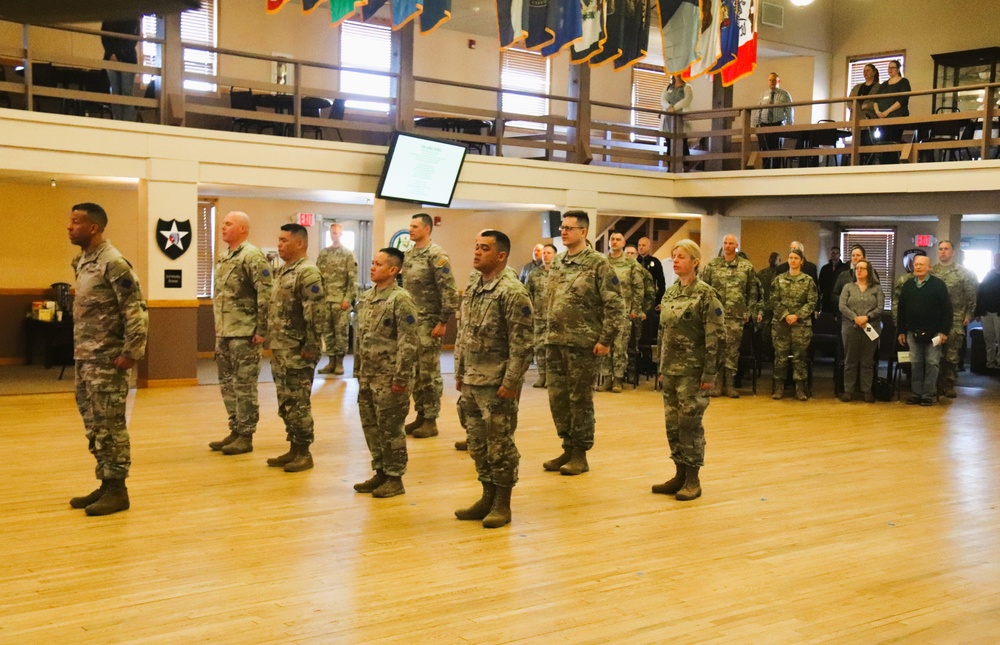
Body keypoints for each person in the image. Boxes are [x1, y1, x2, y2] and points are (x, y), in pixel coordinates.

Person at [67, 202, 148, 516]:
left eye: (76, 222)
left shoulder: (113, 263)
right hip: (86, 359)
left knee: (111, 426)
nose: (69, 227)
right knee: (94, 426)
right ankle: (105, 482)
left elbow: (135, 310)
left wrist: (131, 352)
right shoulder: (84, 261)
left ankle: (118, 490)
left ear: (93, 228)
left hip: (107, 361)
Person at [454, 231, 533, 528]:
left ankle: (502, 504)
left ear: (501, 256)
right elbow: (464, 334)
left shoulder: (512, 291)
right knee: (477, 444)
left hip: (498, 383)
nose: (476, 252)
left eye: (484, 248)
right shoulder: (475, 284)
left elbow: (523, 343)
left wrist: (511, 382)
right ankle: (486, 496)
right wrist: (460, 373)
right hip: (473, 379)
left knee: (500, 445)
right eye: (476, 247)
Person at [542, 211, 624, 476]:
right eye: (562, 227)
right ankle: (567, 446)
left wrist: (605, 339)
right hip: (556, 341)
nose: (564, 232)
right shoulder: (557, 263)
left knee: (579, 400)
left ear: (584, 232)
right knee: (558, 399)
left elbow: (615, 304)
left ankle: (580, 453)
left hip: (583, 344)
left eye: (569, 228)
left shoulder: (598, 263)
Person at [653, 239, 723, 501]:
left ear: (695, 262)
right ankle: (679, 473)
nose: (676, 260)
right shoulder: (670, 292)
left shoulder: (706, 294)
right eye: (674, 257)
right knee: (672, 425)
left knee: (689, 425)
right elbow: (664, 332)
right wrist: (661, 365)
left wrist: (709, 375)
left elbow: (715, 337)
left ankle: (693, 479)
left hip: (693, 372)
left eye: (681, 256)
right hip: (671, 370)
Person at [353, 248, 419, 498]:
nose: (372, 267)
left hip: (390, 378)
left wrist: (401, 377)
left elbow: (409, 341)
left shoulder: (401, 299)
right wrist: (358, 372)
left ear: (393, 270)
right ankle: (380, 471)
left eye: (378, 264)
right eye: (372, 263)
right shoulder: (368, 297)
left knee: (391, 428)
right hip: (368, 376)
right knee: (371, 426)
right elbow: (362, 339)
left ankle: (395, 477)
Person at [209, 211, 273, 456]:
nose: (223, 227)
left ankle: (246, 435)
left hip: (245, 334)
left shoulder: (252, 256)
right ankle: (235, 429)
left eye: (228, 224)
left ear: (243, 229)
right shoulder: (224, 257)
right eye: (222, 224)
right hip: (225, 332)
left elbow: (266, 294)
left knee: (244, 386)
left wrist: (261, 329)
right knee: (227, 385)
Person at [266, 224, 326, 472]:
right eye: (278, 240)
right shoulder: (283, 272)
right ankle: (293, 447)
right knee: (286, 402)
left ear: (300, 243)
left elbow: (315, 314)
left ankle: (304, 452)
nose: (279, 244)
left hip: (298, 350)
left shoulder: (308, 273)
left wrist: (310, 347)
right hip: (282, 348)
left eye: (284, 240)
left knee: (299, 402)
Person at [401, 213, 459, 439]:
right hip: (411, 323)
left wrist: (443, 321)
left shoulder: (436, 255)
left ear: (427, 229)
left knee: (429, 373)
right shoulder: (409, 255)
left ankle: (431, 419)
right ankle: (420, 415)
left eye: (415, 226)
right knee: (414, 373)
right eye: (410, 225)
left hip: (429, 322)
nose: (411, 229)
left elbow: (448, 290)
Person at [698, 234, 761, 398]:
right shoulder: (713, 265)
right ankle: (717, 385)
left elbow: (752, 292)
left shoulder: (746, 267)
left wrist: (749, 312)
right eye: (725, 243)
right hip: (715, 316)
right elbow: (704, 289)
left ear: (736, 246)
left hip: (736, 316)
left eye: (730, 243)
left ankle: (730, 385)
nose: (727, 246)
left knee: (732, 351)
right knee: (716, 350)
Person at [897, 255, 951, 406]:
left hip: (934, 333)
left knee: (932, 363)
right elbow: (901, 310)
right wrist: (901, 331)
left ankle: (927, 395)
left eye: (921, 264)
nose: (918, 267)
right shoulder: (908, 285)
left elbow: (947, 311)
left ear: (929, 267)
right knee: (916, 363)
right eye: (916, 264)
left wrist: (944, 332)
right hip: (912, 332)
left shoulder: (938, 285)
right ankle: (916, 394)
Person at [932, 240, 978, 398]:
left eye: (946, 249)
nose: (943, 252)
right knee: (935, 353)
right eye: (940, 249)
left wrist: (968, 315)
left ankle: (949, 384)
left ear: (953, 252)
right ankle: (935, 384)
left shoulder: (964, 273)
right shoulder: (932, 271)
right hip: (935, 319)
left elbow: (971, 296)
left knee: (952, 354)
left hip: (956, 317)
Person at [770, 248, 818, 401]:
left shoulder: (808, 281)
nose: (793, 260)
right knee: (780, 357)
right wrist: (785, 315)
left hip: (801, 326)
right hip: (781, 325)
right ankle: (779, 388)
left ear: (802, 261)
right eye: (790, 258)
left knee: (800, 357)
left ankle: (800, 389)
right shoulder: (778, 279)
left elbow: (811, 302)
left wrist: (797, 316)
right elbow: (773, 300)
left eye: (796, 258)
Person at [602, 232, 646, 392]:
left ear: (623, 243)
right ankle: (606, 378)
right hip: (605, 313)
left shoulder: (630, 263)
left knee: (620, 348)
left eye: (618, 240)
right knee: (605, 347)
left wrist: (635, 309)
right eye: (612, 239)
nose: (614, 242)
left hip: (623, 312)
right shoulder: (602, 262)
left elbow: (639, 288)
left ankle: (618, 380)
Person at [838, 259, 884, 402]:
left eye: (862, 268)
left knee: (867, 361)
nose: (859, 270)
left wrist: (867, 317)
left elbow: (880, 307)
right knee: (850, 360)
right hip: (851, 327)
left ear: (869, 271)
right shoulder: (848, 287)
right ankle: (848, 391)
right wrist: (855, 318)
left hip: (871, 327)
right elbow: (842, 306)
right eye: (857, 268)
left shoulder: (876, 289)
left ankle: (867, 390)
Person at [316, 222, 358, 376]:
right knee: (328, 333)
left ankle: (339, 363)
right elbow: (318, 276)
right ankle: (331, 362)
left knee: (341, 334)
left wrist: (347, 299)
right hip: (325, 300)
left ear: (341, 234)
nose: (334, 235)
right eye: (332, 232)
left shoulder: (347, 254)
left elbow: (352, 280)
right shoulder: (324, 253)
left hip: (341, 301)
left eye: (337, 232)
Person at [526, 243, 556, 388]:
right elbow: (527, 295)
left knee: (552, 348)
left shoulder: (560, 273)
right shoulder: (534, 274)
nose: (545, 255)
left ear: (555, 255)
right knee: (539, 347)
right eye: (544, 252)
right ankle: (542, 375)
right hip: (538, 316)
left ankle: (551, 377)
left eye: (549, 252)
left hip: (555, 318)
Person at [751, 72, 794, 169]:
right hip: (764, 125)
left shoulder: (784, 94)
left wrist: (789, 125)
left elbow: (789, 110)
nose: (771, 82)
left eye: (773, 80)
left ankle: (775, 170)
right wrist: (755, 125)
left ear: (778, 81)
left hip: (777, 125)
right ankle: (765, 170)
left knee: (776, 150)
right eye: (770, 80)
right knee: (764, 150)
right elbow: (758, 109)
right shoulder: (764, 95)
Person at [101, 19, 141, 121]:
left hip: (127, 58)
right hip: (111, 57)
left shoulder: (133, 18)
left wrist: (117, 54)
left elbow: (132, 39)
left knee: (126, 92)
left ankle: (127, 122)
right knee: (115, 92)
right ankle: (117, 120)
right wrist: (111, 53)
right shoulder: (109, 17)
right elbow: (104, 36)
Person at [875, 60, 911, 164]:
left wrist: (887, 112)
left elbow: (902, 100)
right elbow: (875, 100)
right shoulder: (883, 85)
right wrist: (878, 112)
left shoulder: (904, 82)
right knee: (883, 141)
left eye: (892, 67)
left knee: (894, 140)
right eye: (888, 67)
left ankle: (893, 163)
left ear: (898, 69)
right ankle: (884, 164)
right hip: (882, 119)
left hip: (897, 117)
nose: (890, 70)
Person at [637, 236, 666, 346]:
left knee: (648, 326)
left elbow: (661, 283)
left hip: (651, 301)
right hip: (638, 300)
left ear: (649, 247)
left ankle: (647, 349)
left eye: (644, 245)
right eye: (639, 245)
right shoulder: (634, 262)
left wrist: (659, 301)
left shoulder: (655, 262)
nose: (641, 248)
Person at [975, 253, 1000, 374]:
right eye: (996, 260)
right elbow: (981, 293)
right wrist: (979, 312)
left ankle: (999, 363)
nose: (997, 262)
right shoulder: (989, 275)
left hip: (999, 314)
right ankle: (990, 363)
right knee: (988, 339)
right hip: (986, 313)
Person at [660, 74, 693, 159]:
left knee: (683, 144)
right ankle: (670, 166)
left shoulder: (687, 87)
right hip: (668, 119)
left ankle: (685, 167)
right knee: (669, 144)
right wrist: (669, 107)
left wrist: (674, 108)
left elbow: (687, 100)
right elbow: (663, 100)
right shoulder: (667, 88)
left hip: (681, 119)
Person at [757, 251, 781, 360]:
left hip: (778, 307)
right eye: (771, 257)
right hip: (765, 306)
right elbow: (757, 289)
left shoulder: (782, 274)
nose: (773, 259)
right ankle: (765, 354)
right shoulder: (762, 273)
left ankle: (775, 354)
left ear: (780, 260)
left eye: (776, 258)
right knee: (764, 332)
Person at [818, 246, 847, 312]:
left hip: (839, 298)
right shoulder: (825, 268)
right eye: (832, 253)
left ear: (840, 254)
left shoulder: (844, 268)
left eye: (836, 253)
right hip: (826, 299)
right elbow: (820, 283)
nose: (834, 254)